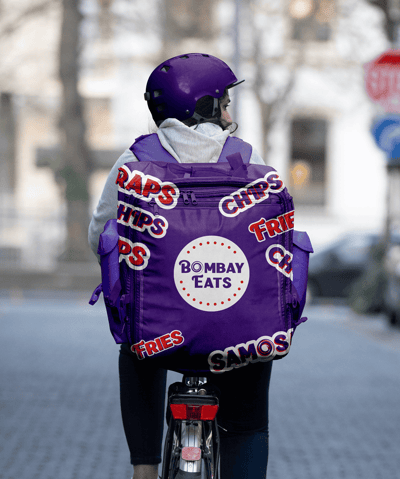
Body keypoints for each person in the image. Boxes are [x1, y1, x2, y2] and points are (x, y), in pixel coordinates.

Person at [88, 53, 274, 479]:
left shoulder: (134, 160)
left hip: (160, 333)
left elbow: (100, 234)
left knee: (136, 344)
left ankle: (144, 467)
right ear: (205, 106)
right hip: (238, 334)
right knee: (247, 422)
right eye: (224, 104)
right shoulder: (247, 158)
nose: (229, 115)